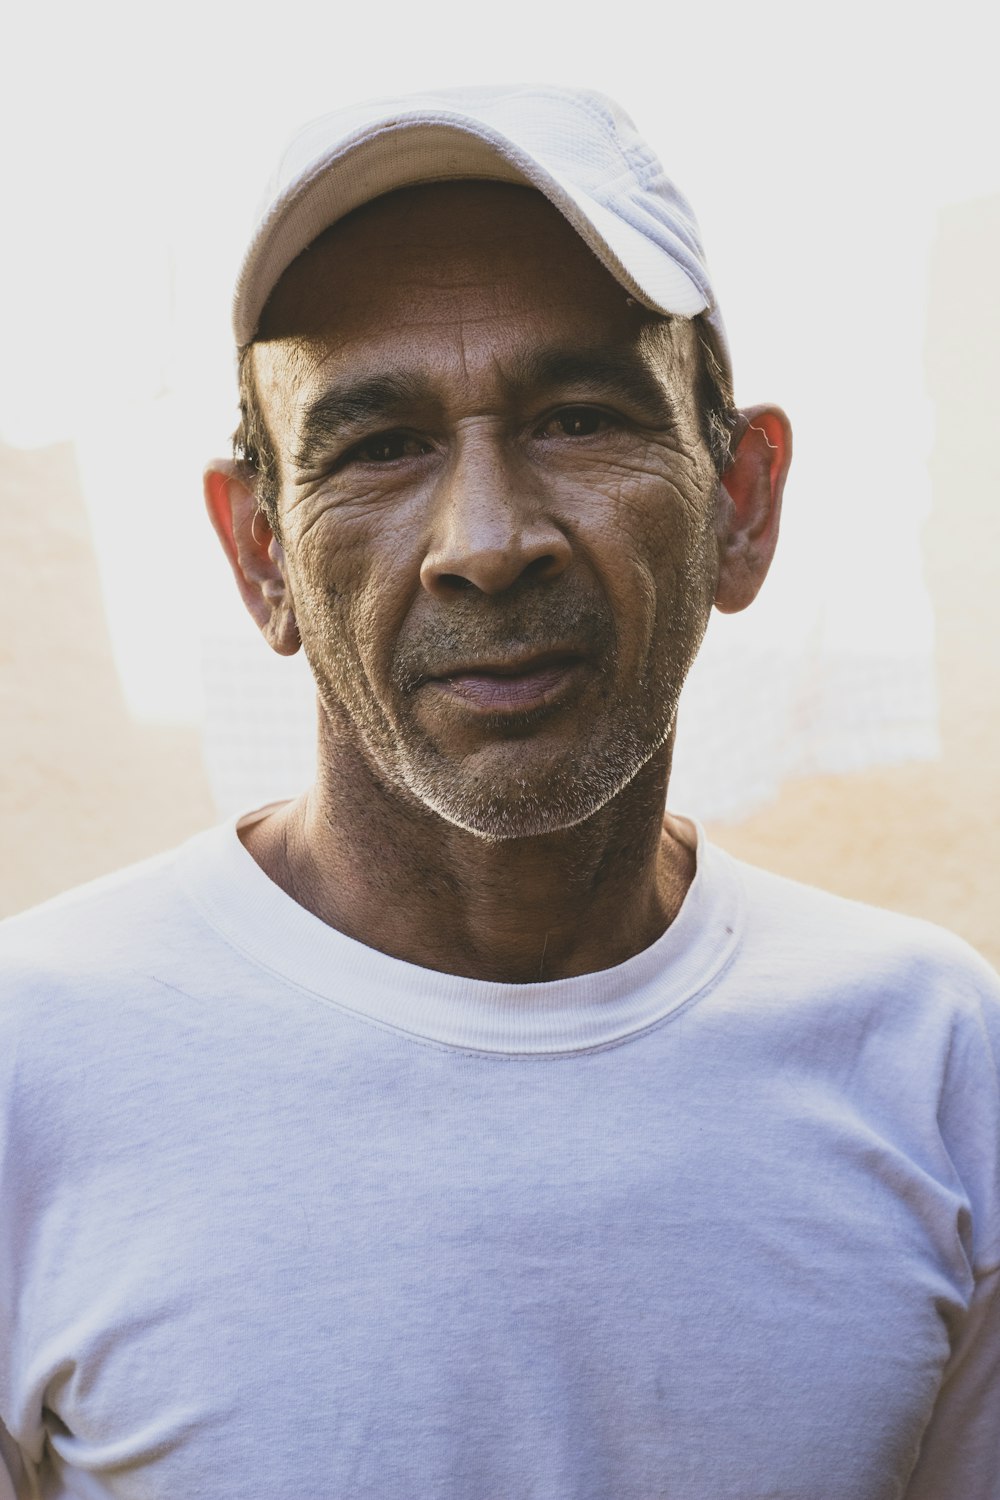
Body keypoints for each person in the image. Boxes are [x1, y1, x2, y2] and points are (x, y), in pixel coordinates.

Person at [1, 85, 998, 1500]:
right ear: (260, 558)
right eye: (377, 445)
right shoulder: (32, 1062)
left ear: (741, 503)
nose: (485, 541)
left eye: (580, 417)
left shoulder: (936, 1057)